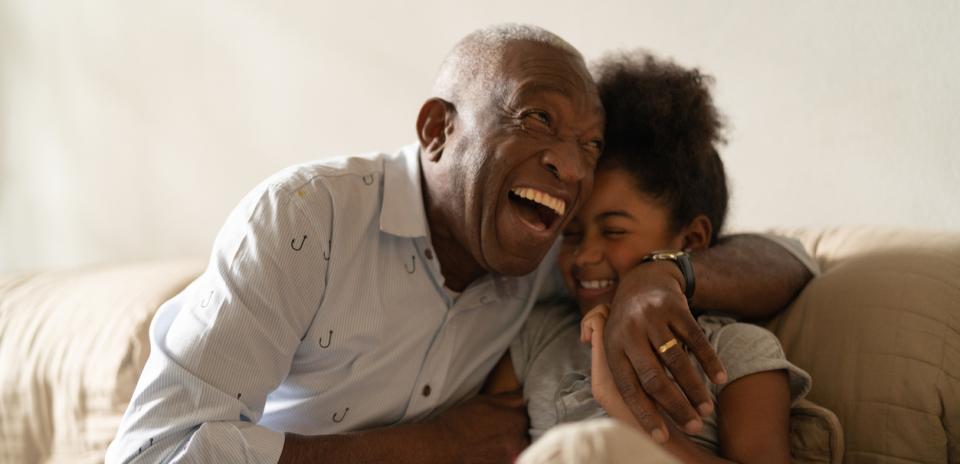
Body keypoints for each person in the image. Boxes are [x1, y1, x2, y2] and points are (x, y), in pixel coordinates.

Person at [107, 25, 813, 464]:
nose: (571, 168)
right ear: (437, 129)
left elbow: (794, 258)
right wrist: (432, 449)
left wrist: (660, 277)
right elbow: (152, 454)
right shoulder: (304, 220)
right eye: (538, 119)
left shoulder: (552, 262)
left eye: (589, 145)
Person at [485, 51, 816, 463]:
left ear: (692, 239)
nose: (585, 254)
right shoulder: (539, 337)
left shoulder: (732, 351)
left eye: (614, 231)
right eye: (571, 233)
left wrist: (633, 420)